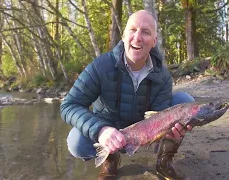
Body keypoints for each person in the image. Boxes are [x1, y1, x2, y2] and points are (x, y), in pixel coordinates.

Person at [60, 10, 194, 180]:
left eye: (145, 32)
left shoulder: (163, 76)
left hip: (144, 132)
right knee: (76, 141)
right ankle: (111, 158)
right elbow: (69, 105)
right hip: (109, 130)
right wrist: (101, 130)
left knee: (185, 102)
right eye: (132, 29)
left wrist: (168, 131)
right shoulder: (100, 67)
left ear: (154, 41)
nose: (137, 37)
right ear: (123, 36)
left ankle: (163, 162)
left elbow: (160, 114)